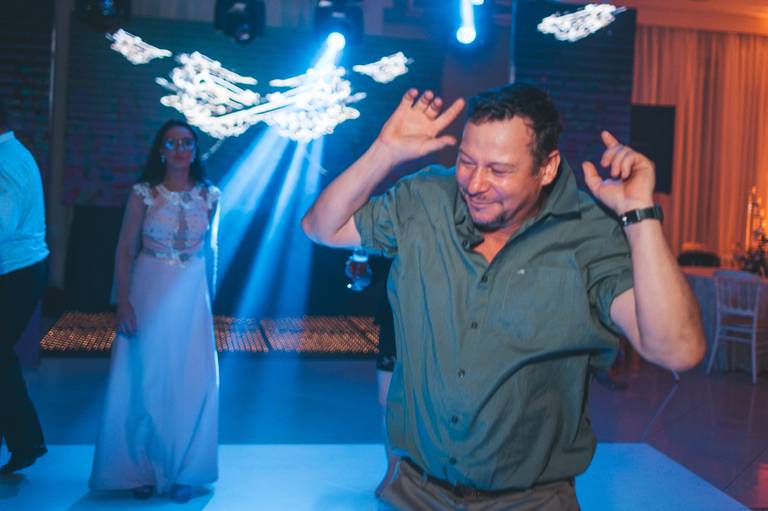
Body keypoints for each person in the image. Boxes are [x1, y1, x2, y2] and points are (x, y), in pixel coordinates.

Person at [302, 84, 705, 510]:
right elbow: (322, 227)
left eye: (499, 170)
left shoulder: (588, 236)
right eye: (466, 162)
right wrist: (384, 152)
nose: (475, 184)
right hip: (414, 494)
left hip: (529, 502)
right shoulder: (425, 200)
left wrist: (638, 214)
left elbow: (678, 350)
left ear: (546, 168)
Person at [89, 120, 220, 502]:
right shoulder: (143, 193)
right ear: (161, 151)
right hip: (149, 287)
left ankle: (184, 470)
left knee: (191, 381)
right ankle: (137, 468)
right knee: (145, 378)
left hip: (192, 294)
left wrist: (210, 302)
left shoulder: (210, 195)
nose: (180, 149)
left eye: (187, 143)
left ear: (195, 150)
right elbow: (125, 249)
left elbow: (213, 250)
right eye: (172, 143)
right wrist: (123, 301)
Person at [0, 98, 49, 475]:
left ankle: (26, 442)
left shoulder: (8, 161)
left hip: (15, 272)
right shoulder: (13, 154)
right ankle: (25, 442)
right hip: (19, 269)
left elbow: (3, 225)